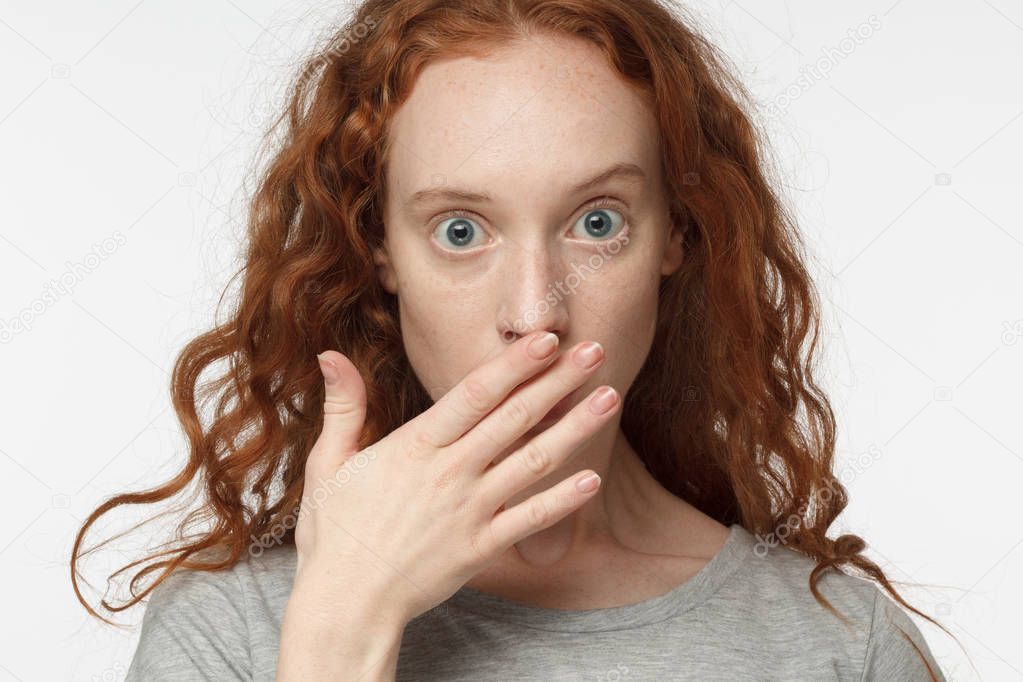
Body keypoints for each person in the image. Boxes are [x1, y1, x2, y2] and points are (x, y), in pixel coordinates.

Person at [71, 0, 952, 679]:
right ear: (380, 247)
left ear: (675, 235)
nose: (535, 314)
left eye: (596, 221)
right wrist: (344, 624)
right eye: (461, 231)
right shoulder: (231, 634)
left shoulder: (835, 644)